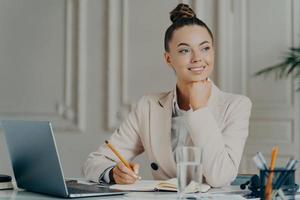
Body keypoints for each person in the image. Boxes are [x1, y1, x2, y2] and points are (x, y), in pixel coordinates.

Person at [83, 3, 252, 187]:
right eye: (184, 50)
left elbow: (220, 177)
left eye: (205, 48)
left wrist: (200, 110)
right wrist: (114, 173)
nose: (197, 58)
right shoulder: (149, 106)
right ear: (168, 58)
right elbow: (95, 161)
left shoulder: (236, 105)